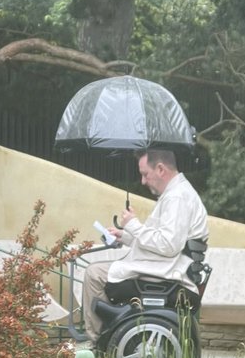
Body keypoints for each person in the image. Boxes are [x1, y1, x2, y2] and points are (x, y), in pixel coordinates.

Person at [81, 147, 208, 343]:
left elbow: (168, 245)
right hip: (165, 266)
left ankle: (97, 341)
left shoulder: (177, 197)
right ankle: (114, 330)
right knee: (98, 271)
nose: (142, 181)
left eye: (144, 174)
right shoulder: (176, 193)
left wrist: (133, 224)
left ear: (160, 169)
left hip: (168, 271)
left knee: (94, 274)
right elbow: (157, 241)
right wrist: (124, 236)